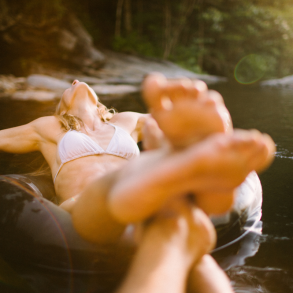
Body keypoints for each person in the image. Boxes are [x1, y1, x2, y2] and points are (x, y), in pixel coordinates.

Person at [0, 72, 275, 292]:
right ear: (59, 107)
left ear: (100, 104)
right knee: (175, 232)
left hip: (138, 198)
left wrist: (195, 126)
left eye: (79, 80)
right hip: (81, 202)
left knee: (166, 158)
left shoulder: (126, 120)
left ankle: (169, 169)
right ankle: (163, 177)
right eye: (68, 85)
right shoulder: (48, 126)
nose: (75, 81)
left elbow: (165, 121)